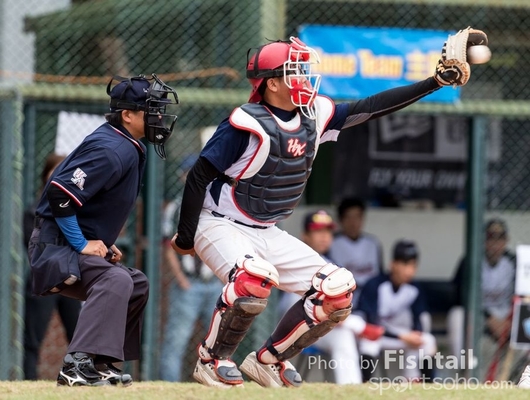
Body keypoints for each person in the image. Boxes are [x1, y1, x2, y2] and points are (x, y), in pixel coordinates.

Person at [170, 29, 488, 388]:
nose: (304, 77)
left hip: (267, 229)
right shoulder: (245, 123)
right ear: (271, 84)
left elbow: (369, 107)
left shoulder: (314, 114)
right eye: (294, 70)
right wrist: (186, 235)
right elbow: (198, 177)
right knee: (253, 279)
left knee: (337, 290)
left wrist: (434, 82)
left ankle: (269, 359)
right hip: (220, 223)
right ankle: (211, 360)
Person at [28, 74, 179, 386]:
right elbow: (59, 193)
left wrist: (100, 241)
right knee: (115, 279)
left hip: (65, 242)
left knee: (135, 283)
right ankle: (76, 364)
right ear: (127, 115)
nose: (159, 117)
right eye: (152, 110)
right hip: (53, 247)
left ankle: (101, 363)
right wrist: (82, 243)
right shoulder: (110, 148)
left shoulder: (125, 144)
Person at [278, 210, 384, 384]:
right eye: (318, 231)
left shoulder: (331, 264)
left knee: (347, 336)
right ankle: (352, 385)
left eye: (327, 231)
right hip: (291, 325)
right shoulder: (296, 258)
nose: (324, 236)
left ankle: (356, 387)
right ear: (305, 236)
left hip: (318, 325)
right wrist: (358, 325)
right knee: (342, 330)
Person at [159, 155, 223, 382]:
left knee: (218, 341)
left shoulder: (217, 205)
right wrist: (181, 279)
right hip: (189, 283)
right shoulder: (176, 207)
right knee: (176, 339)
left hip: (214, 282)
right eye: (190, 172)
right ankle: (169, 388)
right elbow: (168, 247)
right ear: (183, 176)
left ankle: (217, 383)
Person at [22, 153, 82, 380]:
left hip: (71, 281)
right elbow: (38, 249)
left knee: (79, 338)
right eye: (54, 171)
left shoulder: (77, 211)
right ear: (45, 176)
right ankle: (28, 384)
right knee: (32, 339)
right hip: (44, 283)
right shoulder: (33, 212)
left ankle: (81, 379)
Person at [357, 240, 436, 382]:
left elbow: (419, 319)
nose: (409, 271)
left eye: (413, 265)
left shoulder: (415, 289)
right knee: (370, 342)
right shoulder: (375, 285)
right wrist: (401, 336)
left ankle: (424, 385)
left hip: (401, 335)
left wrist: (415, 334)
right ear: (393, 264)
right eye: (405, 264)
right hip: (379, 335)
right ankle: (364, 384)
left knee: (427, 340)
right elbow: (371, 322)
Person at [447, 218, 516, 380]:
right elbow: (460, 296)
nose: (495, 243)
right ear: (484, 241)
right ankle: (463, 371)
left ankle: (519, 377)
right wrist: (489, 317)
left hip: (506, 315)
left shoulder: (513, 262)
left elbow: (522, 295)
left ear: (506, 241)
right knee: (456, 316)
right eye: (491, 238)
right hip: (479, 315)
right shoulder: (471, 261)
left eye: (500, 238)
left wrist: (509, 320)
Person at [330, 197, 384, 307]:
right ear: (341, 220)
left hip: (371, 299)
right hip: (342, 300)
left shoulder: (373, 243)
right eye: (349, 217)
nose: (353, 223)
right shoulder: (332, 244)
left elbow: (379, 275)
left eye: (357, 217)